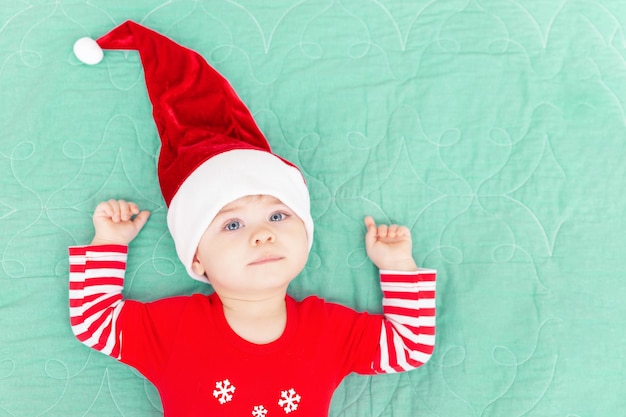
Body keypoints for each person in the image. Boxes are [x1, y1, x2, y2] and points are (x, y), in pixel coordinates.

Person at [69, 21, 436, 416]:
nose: (263, 234)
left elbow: (408, 346)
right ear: (196, 258)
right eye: (232, 224)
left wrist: (398, 266)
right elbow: (95, 321)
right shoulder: (173, 330)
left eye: (278, 215)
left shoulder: (328, 331)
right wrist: (109, 243)